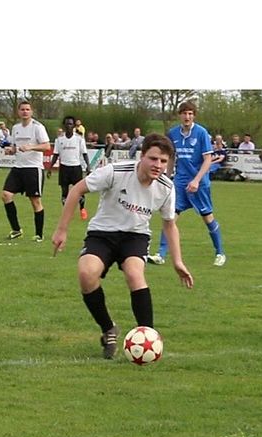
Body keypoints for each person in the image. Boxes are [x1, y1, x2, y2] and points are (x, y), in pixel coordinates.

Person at [51, 134, 194, 359]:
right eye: (153, 159)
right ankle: (108, 329)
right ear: (142, 156)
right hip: (102, 233)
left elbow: (169, 224)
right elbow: (76, 190)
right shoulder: (116, 172)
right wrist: (62, 230)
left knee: (135, 274)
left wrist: (177, 261)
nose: (158, 165)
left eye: (164, 161)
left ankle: (149, 335)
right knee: (86, 274)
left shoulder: (166, 187)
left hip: (135, 237)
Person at [148, 101, 226, 267]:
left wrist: (197, 180)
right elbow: (171, 158)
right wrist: (167, 178)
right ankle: (160, 254)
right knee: (169, 217)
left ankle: (220, 253)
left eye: (190, 113)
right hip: (180, 183)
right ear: (180, 115)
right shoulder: (173, 134)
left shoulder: (201, 133)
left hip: (199, 183)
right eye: (184, 113)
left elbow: (207, 160)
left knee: (208, 218)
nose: (187, 116)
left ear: (194, 116)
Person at [1, 100, 51, 242]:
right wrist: (11, 150)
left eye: (27, 109)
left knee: (35, 201)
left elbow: (47, 146)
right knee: (6, 195)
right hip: (18, 167)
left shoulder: (37, 127)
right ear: (18, 111)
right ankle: (16, 230)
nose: (25, 112)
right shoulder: (16, 127)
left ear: (31, 111)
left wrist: (31, 147)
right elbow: (15, 147)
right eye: (22, 109)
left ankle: (39, 235)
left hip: (33, 168)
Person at [49, 116, 91, 220]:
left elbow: (84, 153)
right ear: (64, 125)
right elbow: (55, 155)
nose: (69, 126)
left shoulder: (79, 139)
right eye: (67, 124)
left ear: (73, 126)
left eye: (70, 124)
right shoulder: (59, 140)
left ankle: (82, 209)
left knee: (80, 191)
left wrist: (88, 167)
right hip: (64, 168)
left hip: (76, 168)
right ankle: (67, 212)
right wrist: (50, 168)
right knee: (64, 192)